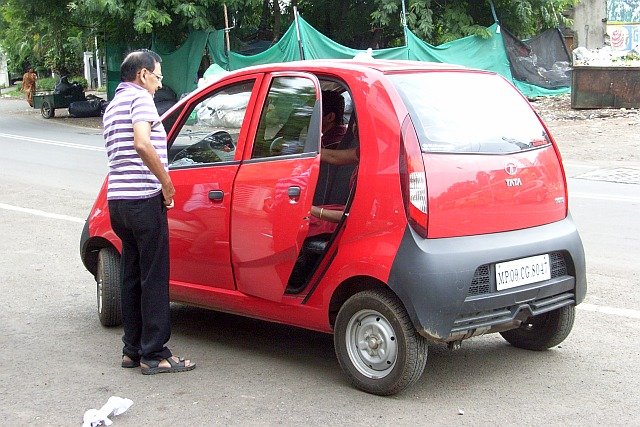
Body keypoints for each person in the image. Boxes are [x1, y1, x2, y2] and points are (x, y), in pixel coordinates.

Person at [102, 49, 195, 375]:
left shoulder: (112, 105)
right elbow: (142, 143)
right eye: (158, 76)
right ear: (142, 75)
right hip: (143, 199)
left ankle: (133, 349)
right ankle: (155, 354)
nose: (159, 83)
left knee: (132, 275)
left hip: (119, 203)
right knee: (153, 278)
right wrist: (167, 184)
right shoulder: (139, 99)